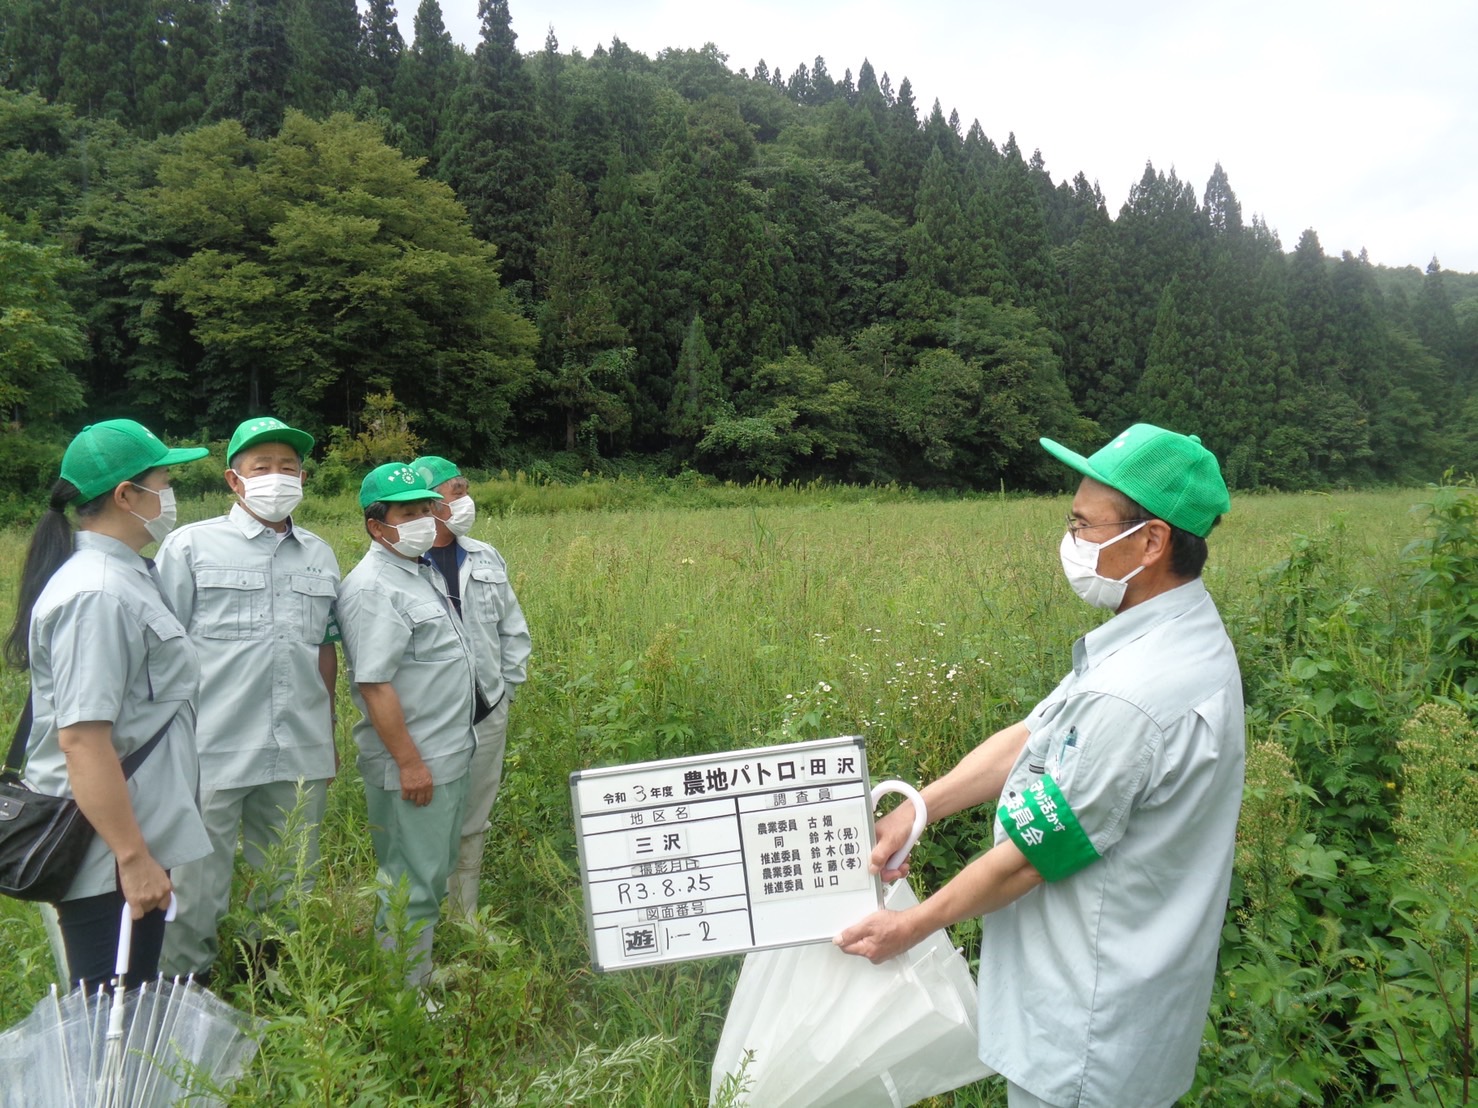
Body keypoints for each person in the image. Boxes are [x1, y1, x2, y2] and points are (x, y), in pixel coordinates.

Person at [837, 423, 1245, 1108]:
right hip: (1118, 998)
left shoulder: (1136, 693)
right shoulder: (1167, 636)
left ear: (1151, 542)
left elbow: (1033, 855)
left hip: (1086, 1028)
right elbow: (1032, 736)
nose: (1071, 540)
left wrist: (911, 925)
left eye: (1086, 525)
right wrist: (918, 810)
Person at [4, 419, 211, 987]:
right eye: (165, 480)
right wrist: (133, 857)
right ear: (127, 495)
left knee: (126, 1005)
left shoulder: (125, 575)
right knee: (108, 1024)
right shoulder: (96, 592)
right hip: (106, 854)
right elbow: (82, 739)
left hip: (130, 831)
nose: (172, 494)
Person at [156, 416, 340, 983]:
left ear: (303, 477)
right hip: (210, 746)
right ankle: (189, 992)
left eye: (288, 467)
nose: (277, 478)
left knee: (291, 877)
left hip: (300, 746)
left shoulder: (320, 555)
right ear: (236, 481)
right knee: (195, 884)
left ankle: (272, 981)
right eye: (263, 468)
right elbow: (157, 651)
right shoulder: (190, 547)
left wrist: (327, 731)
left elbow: (325, 649)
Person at [336, 463, 477, 988]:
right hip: (415, 764)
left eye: (425, 509)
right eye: (408, 513)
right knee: (409, 884)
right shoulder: (374, 587)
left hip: (445, 753)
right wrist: (411, 763)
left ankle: (416, 970)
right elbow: (375, 685)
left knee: (429, 874)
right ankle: (404, 996)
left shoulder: (416, 571)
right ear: (377, 525)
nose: (422, 519)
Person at [410, 455, 530, 919]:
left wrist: (505, 695)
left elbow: (512, 631)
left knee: (473, 821)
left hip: (487, 712)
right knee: (427, 823)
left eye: (464, 489)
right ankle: (422, 926)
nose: (464, 500)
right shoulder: (402, 565)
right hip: (429, 721)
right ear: (427, 501)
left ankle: (465, 919)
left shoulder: (485, 556)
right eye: (454, 490)